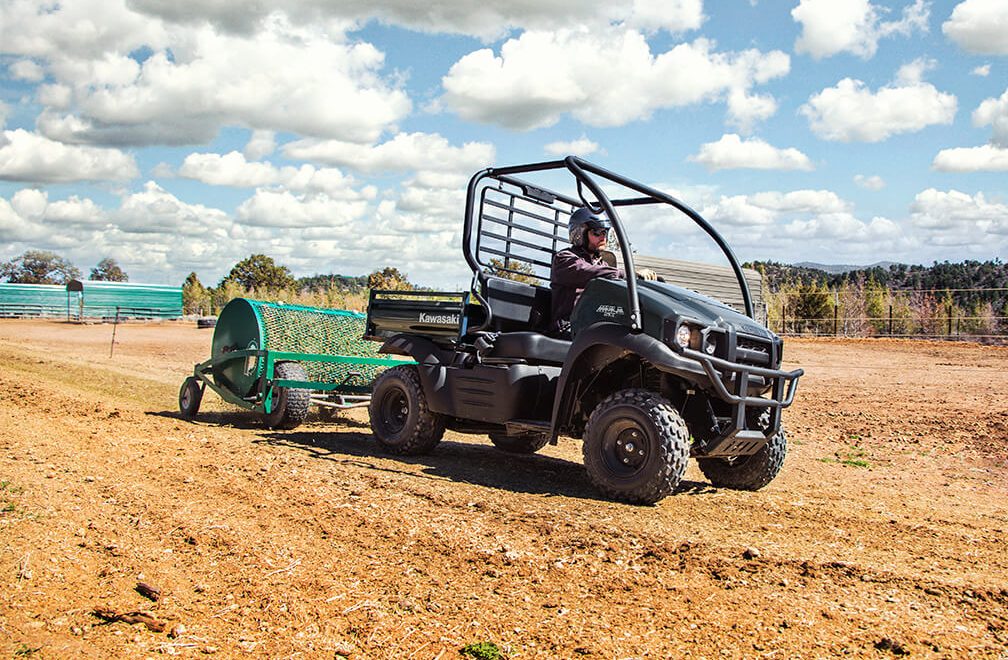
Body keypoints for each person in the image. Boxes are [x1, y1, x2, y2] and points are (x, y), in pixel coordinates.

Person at [549, 207, 656, 337]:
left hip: (591, 325)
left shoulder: (601, 263)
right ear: (579, 234)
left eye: (604, 232)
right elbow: (589, 272)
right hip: (568, 326)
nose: (603, 237)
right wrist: (631, 274)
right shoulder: (565, 259)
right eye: (596, 233)